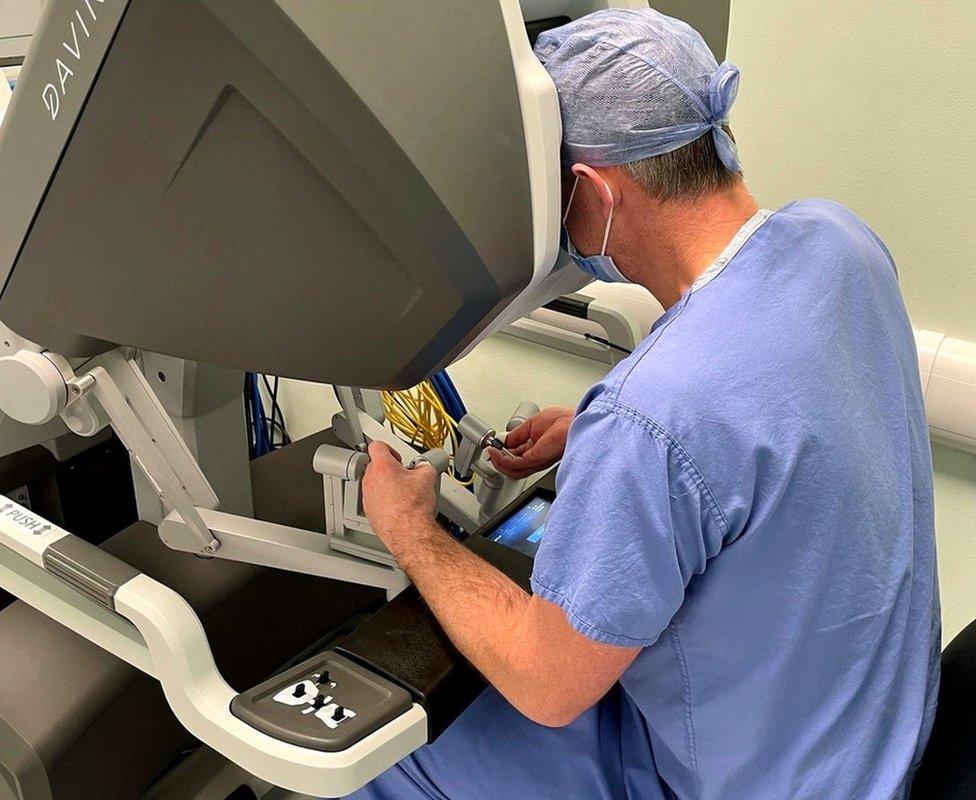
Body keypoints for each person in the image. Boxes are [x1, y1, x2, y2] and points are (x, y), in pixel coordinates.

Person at [346, 8, 939, 799]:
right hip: (874, 735)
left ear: (590, 191)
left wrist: (410, 530)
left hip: (756, 782)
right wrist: (600, 429)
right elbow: (774, 409)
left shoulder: (654, 417)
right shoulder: (841, 242)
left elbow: (546, 684)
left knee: (384, 753)